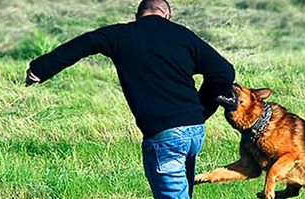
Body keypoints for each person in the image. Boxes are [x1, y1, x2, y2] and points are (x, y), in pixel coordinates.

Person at [25, 0, 235, 198]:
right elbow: (224, 72)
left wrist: (41, 69)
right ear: (167, 15)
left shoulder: (121, 35)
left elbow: (86, 42)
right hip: (194, 132)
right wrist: (202, 108)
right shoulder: (183, 35)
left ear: (137, 16)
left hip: (165, 136)